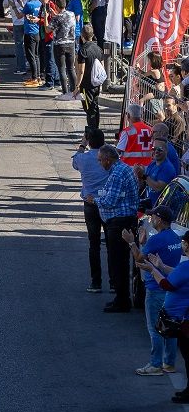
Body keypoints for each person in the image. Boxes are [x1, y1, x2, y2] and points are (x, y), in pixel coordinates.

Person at [123, 206, 182, 376]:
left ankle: (155, 365)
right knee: (170, 326)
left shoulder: (158, 239)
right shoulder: (174, 238)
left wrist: (131, 242)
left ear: (160, 219)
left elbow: (139, 258)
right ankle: (169, 363)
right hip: (170, 288)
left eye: (153, 216)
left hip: (155, 288)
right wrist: (143, 243)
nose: (150, 219)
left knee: (154, 328)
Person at [136, 233, 189, 403]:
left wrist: (153, 270)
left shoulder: (186, 266)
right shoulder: (184, 268)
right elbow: (178, 276)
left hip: (182, 319)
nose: (182, 245)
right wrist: (162, 266)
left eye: (184, 243)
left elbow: (167, 284)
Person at [93, 144, 140, 313]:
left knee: (118, 262)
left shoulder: (118, 173)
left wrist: (95, 200)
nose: (100, 164)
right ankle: (122, 298)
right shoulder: (121, 169)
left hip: (119, 223)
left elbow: (110, 201)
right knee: (120, 261)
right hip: (123, 220)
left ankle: (122, 300)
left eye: (100, 160)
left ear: (108, 159)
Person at [72, 129, 111, 293]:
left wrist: (82, 144)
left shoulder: (83, 158)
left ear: (89, 141)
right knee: (111, 244)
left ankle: (96, 282)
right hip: (108, 204)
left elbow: (75, 162)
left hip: (90, 205)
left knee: (93, 244)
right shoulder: (109, 158)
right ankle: (115, 282)